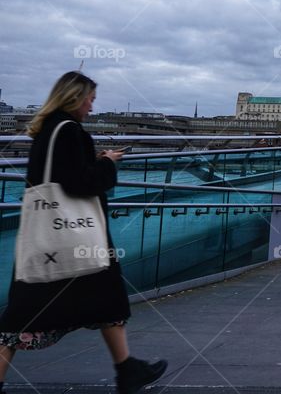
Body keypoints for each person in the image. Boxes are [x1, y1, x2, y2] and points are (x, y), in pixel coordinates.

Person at [0, 72, 167, 394]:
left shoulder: (46, 130)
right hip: (76, 239)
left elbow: (59, 176)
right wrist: (107, 164)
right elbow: (80, 184)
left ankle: (127, 367)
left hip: (49, 240)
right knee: (104, 299)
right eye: (90, 98)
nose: (92, 106)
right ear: (75, 98)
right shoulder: (70, 131)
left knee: (32, 312)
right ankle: (127, 370)